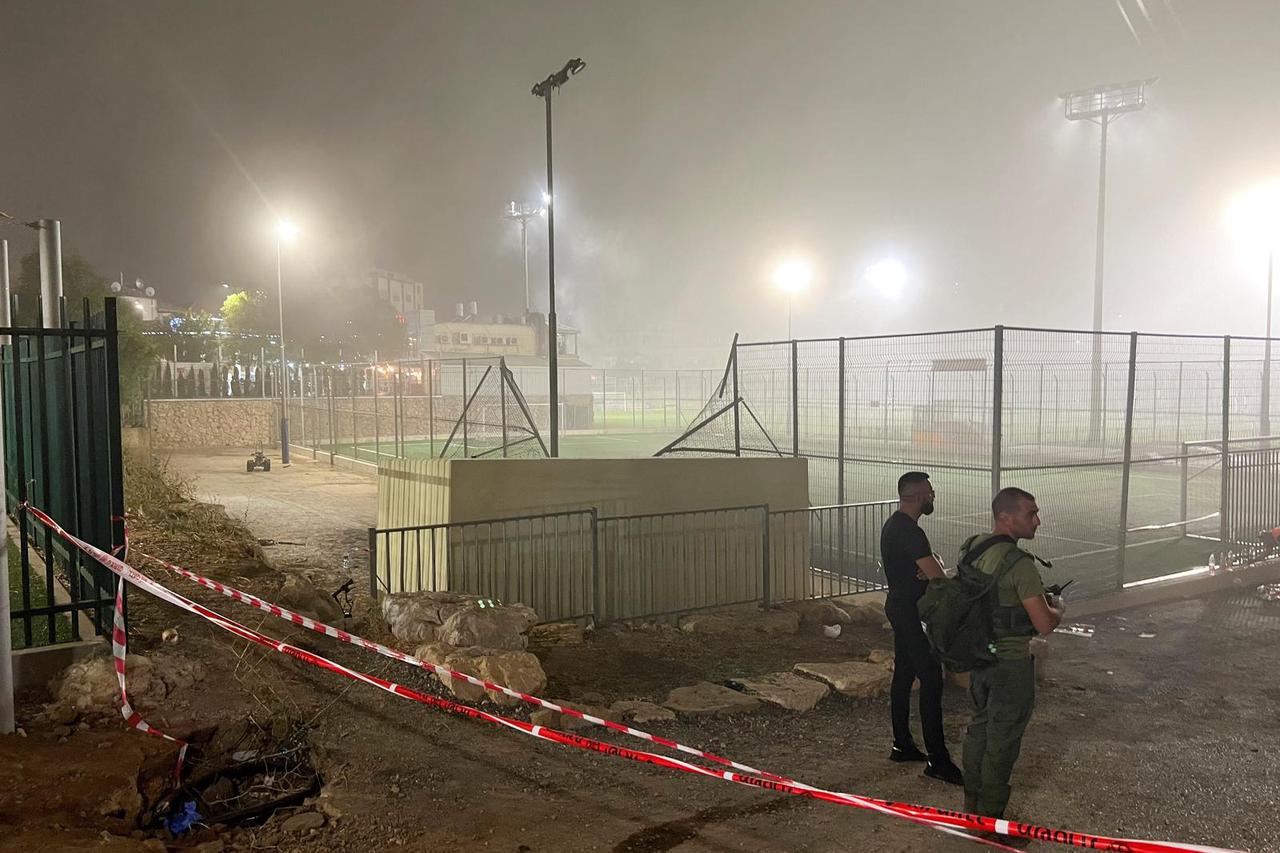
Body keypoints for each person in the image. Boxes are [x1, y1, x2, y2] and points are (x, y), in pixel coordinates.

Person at [961, 487, 1065, 836]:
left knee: (979, 729)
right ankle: (990, 822)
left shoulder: (972, 547)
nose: (1037, 520)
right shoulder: (1019, 565)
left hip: (979, 657)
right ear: (1005, 517)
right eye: (1030, 513)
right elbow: (1044, 624)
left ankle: (971, 809)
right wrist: (1058, 608)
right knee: (1002, 739)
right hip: (1011, 663)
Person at [879, 471, 963, 785]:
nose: (933, 496)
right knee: (931, 676)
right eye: (930, 492)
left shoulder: (897, 525)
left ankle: (902, 744)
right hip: (908, 612)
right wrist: (935, 570)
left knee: (904, 674)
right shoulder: (910, 531)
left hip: (900, 607)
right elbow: (937, 575)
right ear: (916, 496)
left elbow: (927, 567)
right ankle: (937, 759)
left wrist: (929, 568)